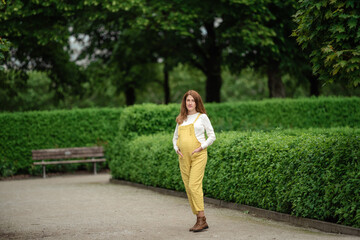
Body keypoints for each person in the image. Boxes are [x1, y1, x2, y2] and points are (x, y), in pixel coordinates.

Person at [172, 90, 216, 232]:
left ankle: (201, 219)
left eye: (192, 100)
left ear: (197, 103)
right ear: (184, 102)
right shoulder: (181, 119)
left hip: (198, 156)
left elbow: (212, 136)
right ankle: (199, 218)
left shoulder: (202, 117)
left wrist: (201, 147)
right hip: (183, 157)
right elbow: (174, 138)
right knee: (188, 187)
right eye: (188, 100)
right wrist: (175, 148)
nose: (190, 103)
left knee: (194, 185)